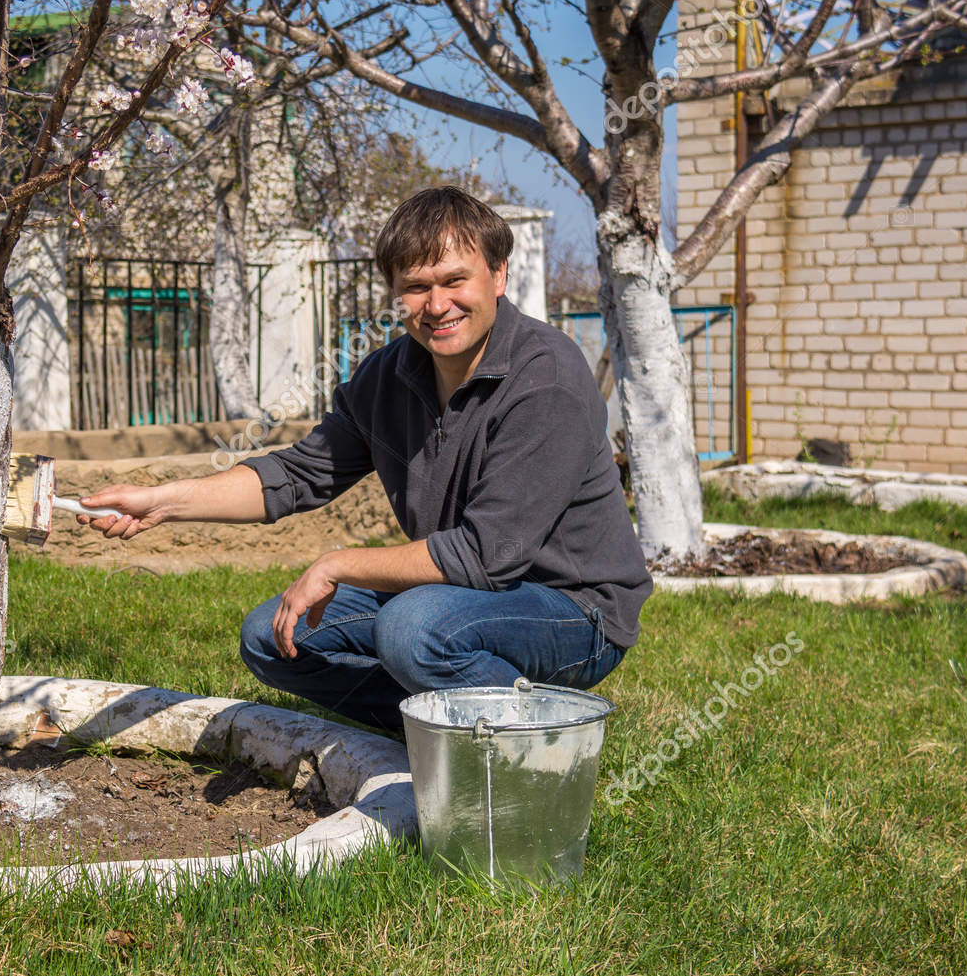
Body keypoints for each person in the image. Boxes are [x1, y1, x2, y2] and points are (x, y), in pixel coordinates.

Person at [77, 187, 651, 731]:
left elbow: (488, 555)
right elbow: (299, 474)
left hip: (575, 612)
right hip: (460, 596)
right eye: (416, 287)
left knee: (413, 629)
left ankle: (539, 741)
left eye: (455, 280)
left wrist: (336, 563)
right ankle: (437, 729)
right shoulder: (389, 374)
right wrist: (163, 501)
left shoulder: (545, 376)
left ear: (498, 275)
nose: (437, 305)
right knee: (273, 635)